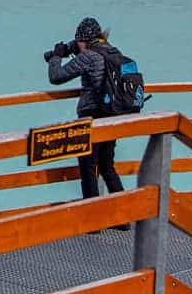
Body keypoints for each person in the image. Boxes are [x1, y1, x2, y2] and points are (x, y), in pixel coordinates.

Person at [45, 17, 128, 226]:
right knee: (107, 166)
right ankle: (124, 218)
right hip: (112, 115)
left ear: (83, 40)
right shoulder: (113, 52)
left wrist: (56, 56)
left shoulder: (89, 57)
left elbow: (56, 76)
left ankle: (92, 222)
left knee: (88, 168)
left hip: (92, 116)